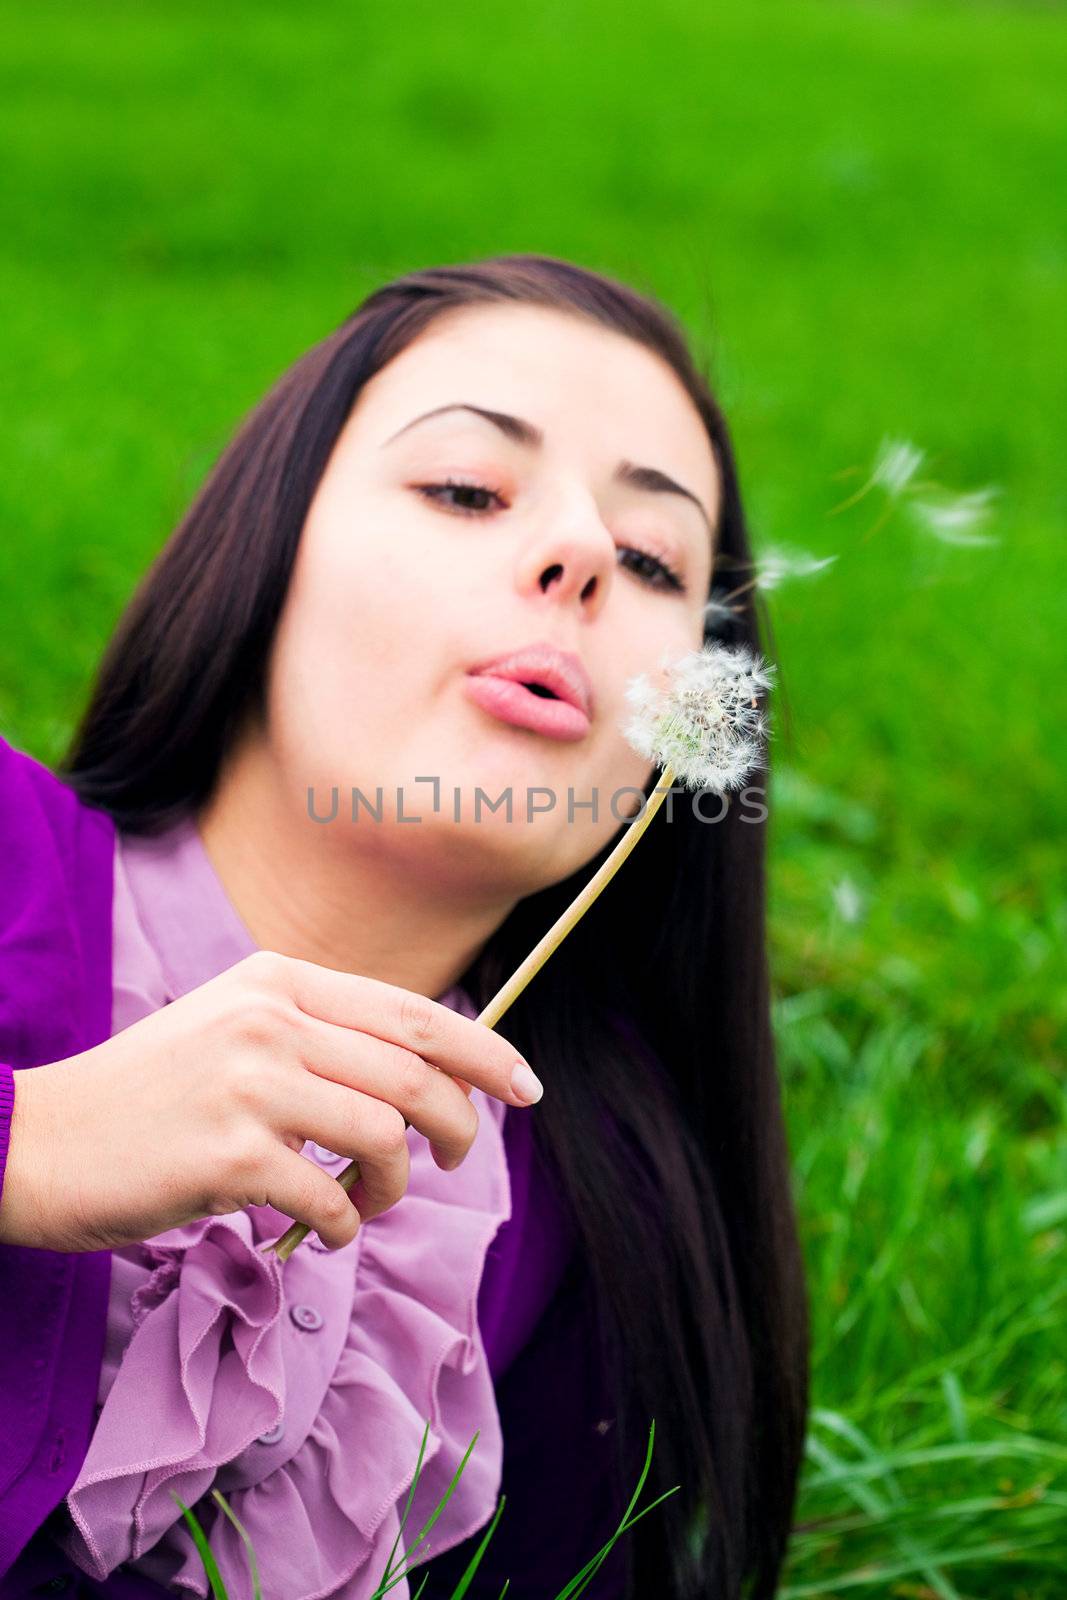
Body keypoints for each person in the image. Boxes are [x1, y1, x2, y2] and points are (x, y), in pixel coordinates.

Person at [0, 253, 809, 1599]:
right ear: (262, 549)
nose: (583, 554)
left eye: (659, 558)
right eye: (465, 490)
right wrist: (27, 1141)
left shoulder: (601, 1227)